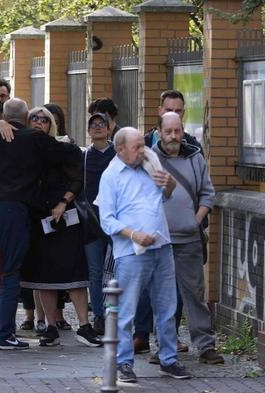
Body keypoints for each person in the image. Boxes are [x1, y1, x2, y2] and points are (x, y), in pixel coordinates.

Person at [0, 98, 82, 350]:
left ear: (4, 116)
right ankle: (4, 334)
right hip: (13, 210)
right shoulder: (33, 139)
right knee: (9, 271)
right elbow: (71, 153)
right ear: (26, 118)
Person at [97, 127, 190, 382]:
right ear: (120, 149)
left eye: (143, 144)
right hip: (131, 251)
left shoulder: (150, 163)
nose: (143, 150)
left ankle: (168, 360)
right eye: (137, 146)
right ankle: (123, 363)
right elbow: (106, 220)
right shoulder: (111, 176)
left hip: (161, 245)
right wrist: (133, 234)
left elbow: (164, 196)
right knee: (126, 310)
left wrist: (170, 185)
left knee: (167, 306)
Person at [19, 107, 100, 348]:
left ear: (52, 125)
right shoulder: (20, 148)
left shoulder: (64, 148)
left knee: (73, 272)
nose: (38, 122)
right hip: (36, 217)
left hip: (64, 217)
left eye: (44, 120)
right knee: (44, 275)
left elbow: (78, 178)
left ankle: (84, 326)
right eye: (33, 118)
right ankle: (50, 327)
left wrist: (64, 202)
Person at [152, 112, 224, 365]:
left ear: (182, 131)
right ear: (159, 131)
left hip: (189, 238)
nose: (173, 136)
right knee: (163, 295)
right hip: (160, 240)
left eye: (177, 131)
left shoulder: (195, 157)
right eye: (168, 131)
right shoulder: (149, 158)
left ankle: (205, 345)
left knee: (195, 294)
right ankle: (164, 346)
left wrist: (195, 220)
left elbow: (207, 194)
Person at [135, 89, 203, 355]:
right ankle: (141, 334)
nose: (174, 114)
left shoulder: (193, 147)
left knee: (176, 287)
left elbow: (202, 188)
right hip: (151, 231)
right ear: (159, 111)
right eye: (169, 109)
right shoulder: (142, 145)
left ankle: (169, 337)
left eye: (181, 110)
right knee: (146, 285)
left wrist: (195, 220)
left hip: (184, 230)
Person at [82, 112, 116, 336]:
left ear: (110, 128)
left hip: (115, 221)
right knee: (94, 272)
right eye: (93, 125)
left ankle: (114, 314)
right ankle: (99, 316)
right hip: (91, 222)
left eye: (101, 124)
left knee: (115, 271)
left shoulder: (118, 154)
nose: (97, 127)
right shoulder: (83, 157)